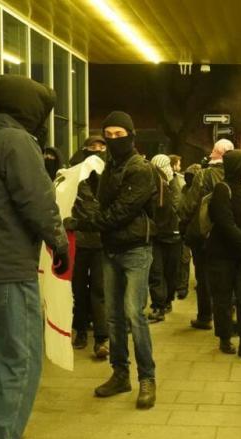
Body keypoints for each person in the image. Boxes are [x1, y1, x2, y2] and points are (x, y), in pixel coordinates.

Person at [0, 74, 69, 439]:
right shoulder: (17, 141)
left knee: (1, 361)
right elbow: (38, 201)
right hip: (8, 266)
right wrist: (59, 241)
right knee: (21, 366)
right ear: (29, 108)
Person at [87, 111, 158, 409]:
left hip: (135, 250)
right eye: (109, 135)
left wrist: (91, 220)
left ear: (131, 135)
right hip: (111, 249)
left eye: (120, 134)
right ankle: (120, 374)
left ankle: (147, 378)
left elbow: (122, 209)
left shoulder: (140, 169)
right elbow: (103, 204)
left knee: (133, 314)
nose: (115, 140)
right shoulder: (108, 167)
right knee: (113, 316)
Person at [179, 139, 235, 330]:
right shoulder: (237, 176)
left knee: (203, 277)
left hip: (204, 236)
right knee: (227, 276)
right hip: (228, 235)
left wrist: (184, 225)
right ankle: (228, 314)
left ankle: (205, 316)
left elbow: (188, 206)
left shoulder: (203, 175)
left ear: (214, 153)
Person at [207, 150, 241, 360]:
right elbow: (225, 223)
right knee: (223, 297)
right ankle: (225, 337)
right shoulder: (222, 188)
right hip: (222, 255)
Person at [65, 154, 110, 357]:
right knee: (79, 290)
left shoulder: (108, 181)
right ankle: (82, 331)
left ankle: (100, 337)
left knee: (98, 291)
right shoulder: (73, 182)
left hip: (99, 244)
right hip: (80, 244)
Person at [148, 154, 183, 322]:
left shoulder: (177, 183)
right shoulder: (150, 184)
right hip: (156, 235)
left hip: (174, 234)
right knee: (156, 272)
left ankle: (167, 299)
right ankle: (158, 305)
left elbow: (181, 206)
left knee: (171, 272)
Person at [176, 164, 202, 300]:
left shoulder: (193, 190)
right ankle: (183, 287)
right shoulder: (186, 189)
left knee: (194, 259)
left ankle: (195, 283)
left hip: (194, 229)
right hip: (188, 228)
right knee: (185, 259)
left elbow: (186, 207)